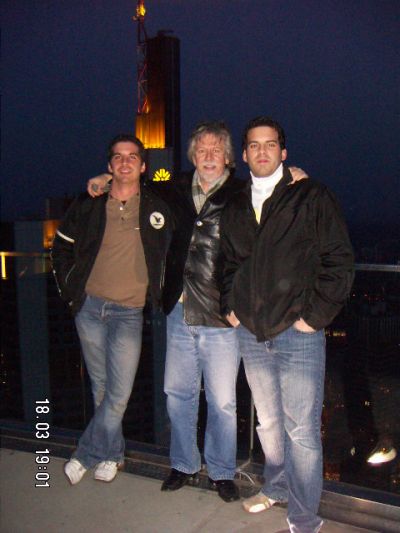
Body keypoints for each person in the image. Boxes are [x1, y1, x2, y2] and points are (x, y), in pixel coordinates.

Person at [87, 121, 307, 502]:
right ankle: (184, 464)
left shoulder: (241, 192)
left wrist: (294, 174)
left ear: (228, 158)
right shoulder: (174, 188)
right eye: (201, 150)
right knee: (177, 394)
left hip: (221, 314)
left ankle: (221, 471)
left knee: (222, 401)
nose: (208, 156)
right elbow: (135, 185)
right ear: (193, 156)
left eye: (215, 150)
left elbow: (272, 191)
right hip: (179, 310)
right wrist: (106, 178)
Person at [219, 117, 354, 532]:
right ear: (243, 155)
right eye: (253, 145)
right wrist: (230, 306)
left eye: (270, 144)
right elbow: (227, 263)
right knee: (269, 423)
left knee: (302, 431)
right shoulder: (235, 203)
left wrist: (313, 318)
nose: (262, 151)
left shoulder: (310, 195)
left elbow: (338, 259)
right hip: (252, 332)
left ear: (283, 152)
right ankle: (276, 487)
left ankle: (304, 518)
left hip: (299, 335)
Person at [52, 134, 170, 485]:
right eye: (118, 157)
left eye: (132, 156)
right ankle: (112, 455)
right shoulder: (90, 204)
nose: (125, 162)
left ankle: (85, 453)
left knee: (119, 393)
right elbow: (61, 247)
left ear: (143, 166)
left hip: (128, 312)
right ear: (109, 165)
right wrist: (70, 289)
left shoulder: (156, 206)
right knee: (102, 389)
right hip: (89, 308)